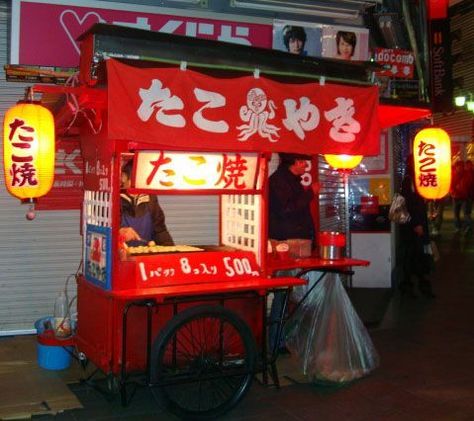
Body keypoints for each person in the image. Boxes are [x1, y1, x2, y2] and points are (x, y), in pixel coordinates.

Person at [268, 153, 319, 352]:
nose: (306, 165)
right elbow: (285, 209)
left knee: (287, 293)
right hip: (285, 245)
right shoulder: (279, 181)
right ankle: (275, 343)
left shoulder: (287, 180)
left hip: (291, 242)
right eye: (303, 161)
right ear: (295, 163)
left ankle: (280, 340)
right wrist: (310, 193)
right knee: (282, 292)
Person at [398, 155, 435, 298]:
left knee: (414, 255)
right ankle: (416, 285)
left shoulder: (411, 178)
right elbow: (412, 204)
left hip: (412, 225)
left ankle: (411, 285)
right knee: (416, 255)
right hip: (413, 225)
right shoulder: (410, 180)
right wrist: (418, 224)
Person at [119, 160, 174, 246]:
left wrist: (171, 251)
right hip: (121, 255)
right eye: (137, 178)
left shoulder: (151, 198)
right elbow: (106, 233)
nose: (140, 183)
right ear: (123, 177)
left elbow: (160, 231)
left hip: (145, 255)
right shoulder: (114, 199)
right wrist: (119, 233)